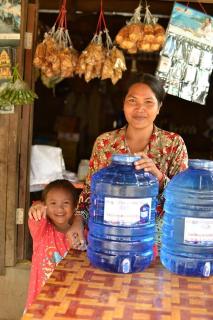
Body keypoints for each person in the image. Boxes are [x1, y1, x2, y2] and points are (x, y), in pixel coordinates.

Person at [74, 73, 188, 247]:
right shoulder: (105, 143)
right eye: (132, 101)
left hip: (156, 241)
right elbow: (90, 191)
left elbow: (184, 199)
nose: (139, 109)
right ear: (124, 104)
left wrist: (158, 176)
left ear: (159, 107)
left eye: (148, 102)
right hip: (110, 237)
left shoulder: (173, 144)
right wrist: (78, 221)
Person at [25, 179, 86, 312]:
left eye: (66, 203)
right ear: (45, 205)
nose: (59, 208)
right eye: (53, 203)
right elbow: (35, 214)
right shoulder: (41, 231)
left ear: (75, 206)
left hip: (71, 299)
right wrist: (37, 207)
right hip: (40, 301)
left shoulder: (82, 234)